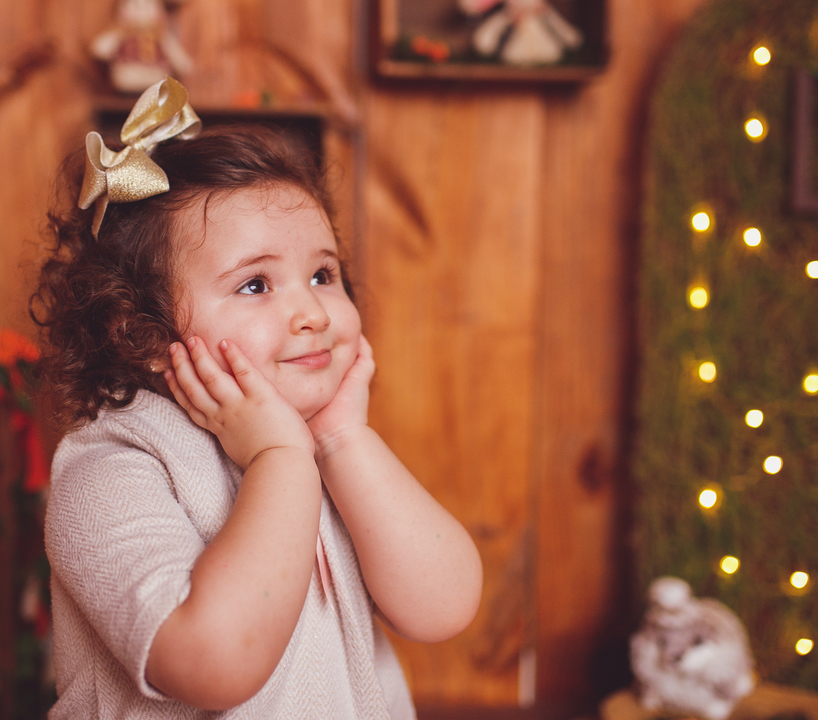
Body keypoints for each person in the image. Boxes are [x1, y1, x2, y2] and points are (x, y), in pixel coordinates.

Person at [34, 78, 482, 719]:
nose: (311, 312)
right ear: (144, 333)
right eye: (255, 285)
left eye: (322, 275)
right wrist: (279, 457)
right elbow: (215, 663)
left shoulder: (325, 447)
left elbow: (443, 607)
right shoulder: (111, 469)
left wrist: (342, 439)